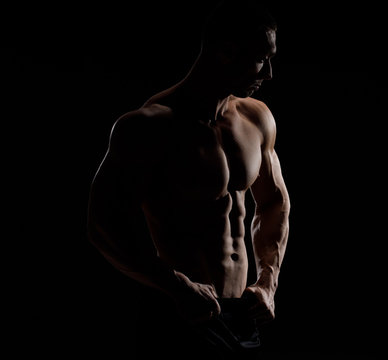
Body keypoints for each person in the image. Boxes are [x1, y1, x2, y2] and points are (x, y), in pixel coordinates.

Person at [86, 1, 290, 358]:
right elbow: (103, 223)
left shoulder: (257, 118)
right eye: (261, 59)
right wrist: (175, 285)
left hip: (243, 313)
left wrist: (268, 283)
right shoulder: (149, 126)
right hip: (179, 311)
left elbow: (274, 202)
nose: (269, 73)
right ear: (225, 52)